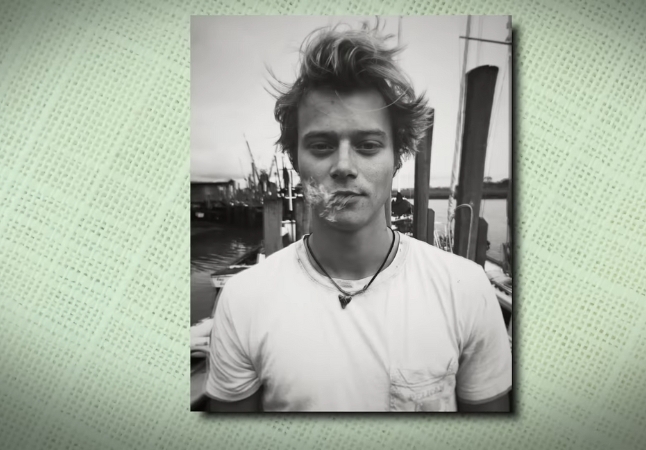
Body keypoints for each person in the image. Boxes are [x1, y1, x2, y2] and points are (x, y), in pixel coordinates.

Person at [205, 21, 511, 412]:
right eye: (321, 145)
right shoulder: (243, 300)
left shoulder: (466, 290)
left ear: (397, 160)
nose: (344, 166)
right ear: (296, 160)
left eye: (367, 145)